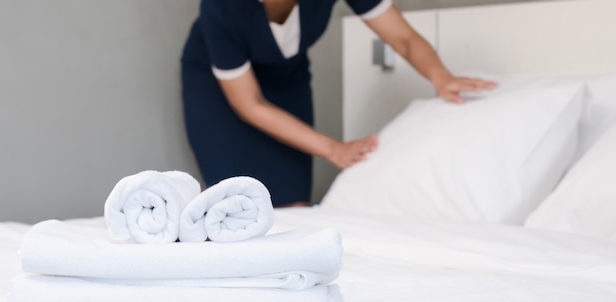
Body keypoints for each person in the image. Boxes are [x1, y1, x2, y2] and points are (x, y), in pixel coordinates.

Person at [180, 0, 496, 207]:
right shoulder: (221, 8)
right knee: (238, 204)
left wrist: (440, 77)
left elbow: (404, 38)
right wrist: (334, 149)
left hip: (286, 78)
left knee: (293, 203)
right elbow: (249, 104)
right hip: (219, 91)